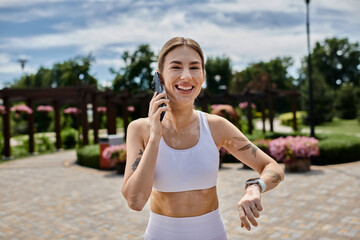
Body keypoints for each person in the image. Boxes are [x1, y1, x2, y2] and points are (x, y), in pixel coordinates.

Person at [122, 37, 284, 240]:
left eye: (194, 67)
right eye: (176, 67)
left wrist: (255, 187)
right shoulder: (140, 130)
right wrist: (155, 138)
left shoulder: (217, 127)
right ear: (159, 76)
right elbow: (135, 202)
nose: (186, 75)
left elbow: (273, 168)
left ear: (203, 75)